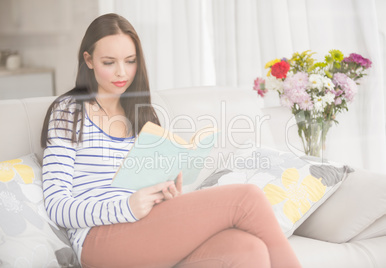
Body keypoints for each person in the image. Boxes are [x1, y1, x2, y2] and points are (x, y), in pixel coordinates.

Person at [41, 13, 301, 268]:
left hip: (146, 227)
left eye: (130, 61)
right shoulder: (69, 111)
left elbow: (146, 188)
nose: (122, 72)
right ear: (88, 60)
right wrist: (126, 207)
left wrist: (166, 196)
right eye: (109, 62)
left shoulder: (142, 113)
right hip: (98, 238)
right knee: (247, 198)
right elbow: (56, 205)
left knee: (247, 248)